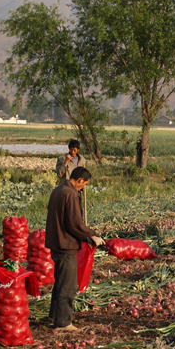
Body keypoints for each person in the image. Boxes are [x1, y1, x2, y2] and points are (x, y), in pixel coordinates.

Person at [45, 167, 104, 331]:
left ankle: (53, 318)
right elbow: (74, 224)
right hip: (66, 244)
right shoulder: (70, 194)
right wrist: (91, 234)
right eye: (84, 184)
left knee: (59, 282)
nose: (83, 187)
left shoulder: (58, 190)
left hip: (56, 242)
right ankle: (63, 322)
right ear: (79, 180)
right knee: (68, 285)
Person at [56, 139, 87, 219]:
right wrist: (65, 163)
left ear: (78, 150)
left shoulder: (82, 160)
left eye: (74, 150)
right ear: (69, 149)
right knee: (66, 210)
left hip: (77, 189)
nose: (72, 151)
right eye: (71, 149)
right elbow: (59, 174)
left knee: (76, 209)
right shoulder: (61, 159)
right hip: (66, 189)